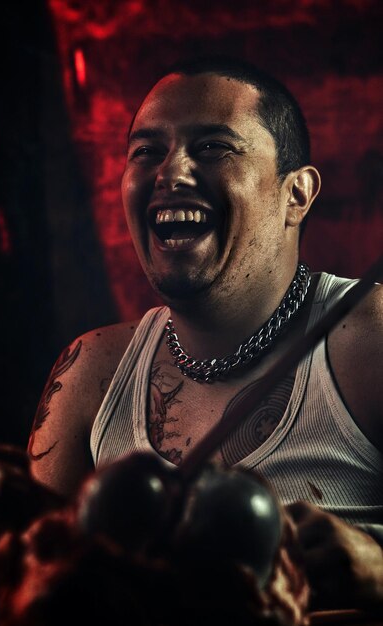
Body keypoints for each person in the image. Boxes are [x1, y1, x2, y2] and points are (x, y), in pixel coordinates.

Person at [28, 57, 383, 610]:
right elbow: (21, 585)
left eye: (214, 147)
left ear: (297, 195)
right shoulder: (90, 373)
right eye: (146, 151)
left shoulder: (372, 338)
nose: (169, 174)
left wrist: (378, 570)